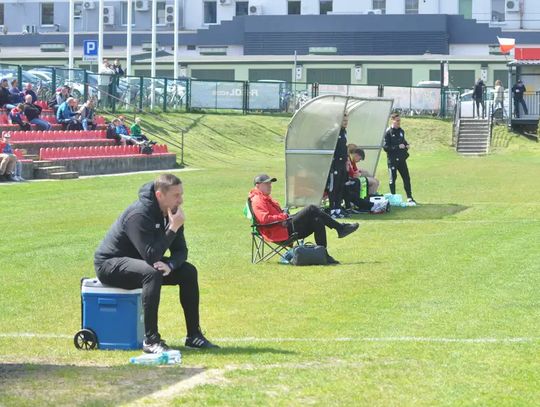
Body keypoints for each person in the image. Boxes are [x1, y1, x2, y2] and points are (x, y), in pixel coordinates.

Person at [94, 173, 219, 352]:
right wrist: (173, 228)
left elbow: (181, 251)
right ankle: (151, 340)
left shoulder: (172, 213)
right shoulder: (139, 214)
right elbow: (151, 256)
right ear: (160, 195)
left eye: (181, 194)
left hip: (141, 262)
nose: (181, 200)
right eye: (176, 195)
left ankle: (194, 336)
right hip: (109, 265)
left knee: (188, 272)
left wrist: (171, 265)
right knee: (151, 274)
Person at [249, 174, 359, 264]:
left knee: (317, 220)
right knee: (311, 208)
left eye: (270, 183)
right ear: (258, 185)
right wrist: (283, 216)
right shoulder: (258, 200)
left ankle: (324, 255)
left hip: (283, 226)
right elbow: (264, 219)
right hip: (279, 231)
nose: (270, 185)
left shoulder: (265, 198)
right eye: (266, 183)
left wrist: (283, 214)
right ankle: (340, 228)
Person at [384, 113, 416, 206]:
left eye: (400, 121)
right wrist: (397, 146)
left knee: (406, 178)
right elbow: (386, 147)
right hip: (392, 160)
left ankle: (409, 197)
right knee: (392, 179)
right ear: (392, 120)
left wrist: (406, 145)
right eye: (397, 121)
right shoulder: (388, 132)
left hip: (402, 159)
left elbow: (403, 141)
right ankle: (393, 198)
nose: (399, 122)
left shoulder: (401, 131)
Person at [327, 113, 349, 219]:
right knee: (333, 187)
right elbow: (322, 143)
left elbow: (344, 148)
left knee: (340, 186)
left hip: (342, 164)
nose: (346, 122)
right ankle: (332, 210)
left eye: (346, 120)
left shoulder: (344, 132)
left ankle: (338, 209)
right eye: (344, 120)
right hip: (334, 164)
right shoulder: (333, 132)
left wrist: (347, 160)